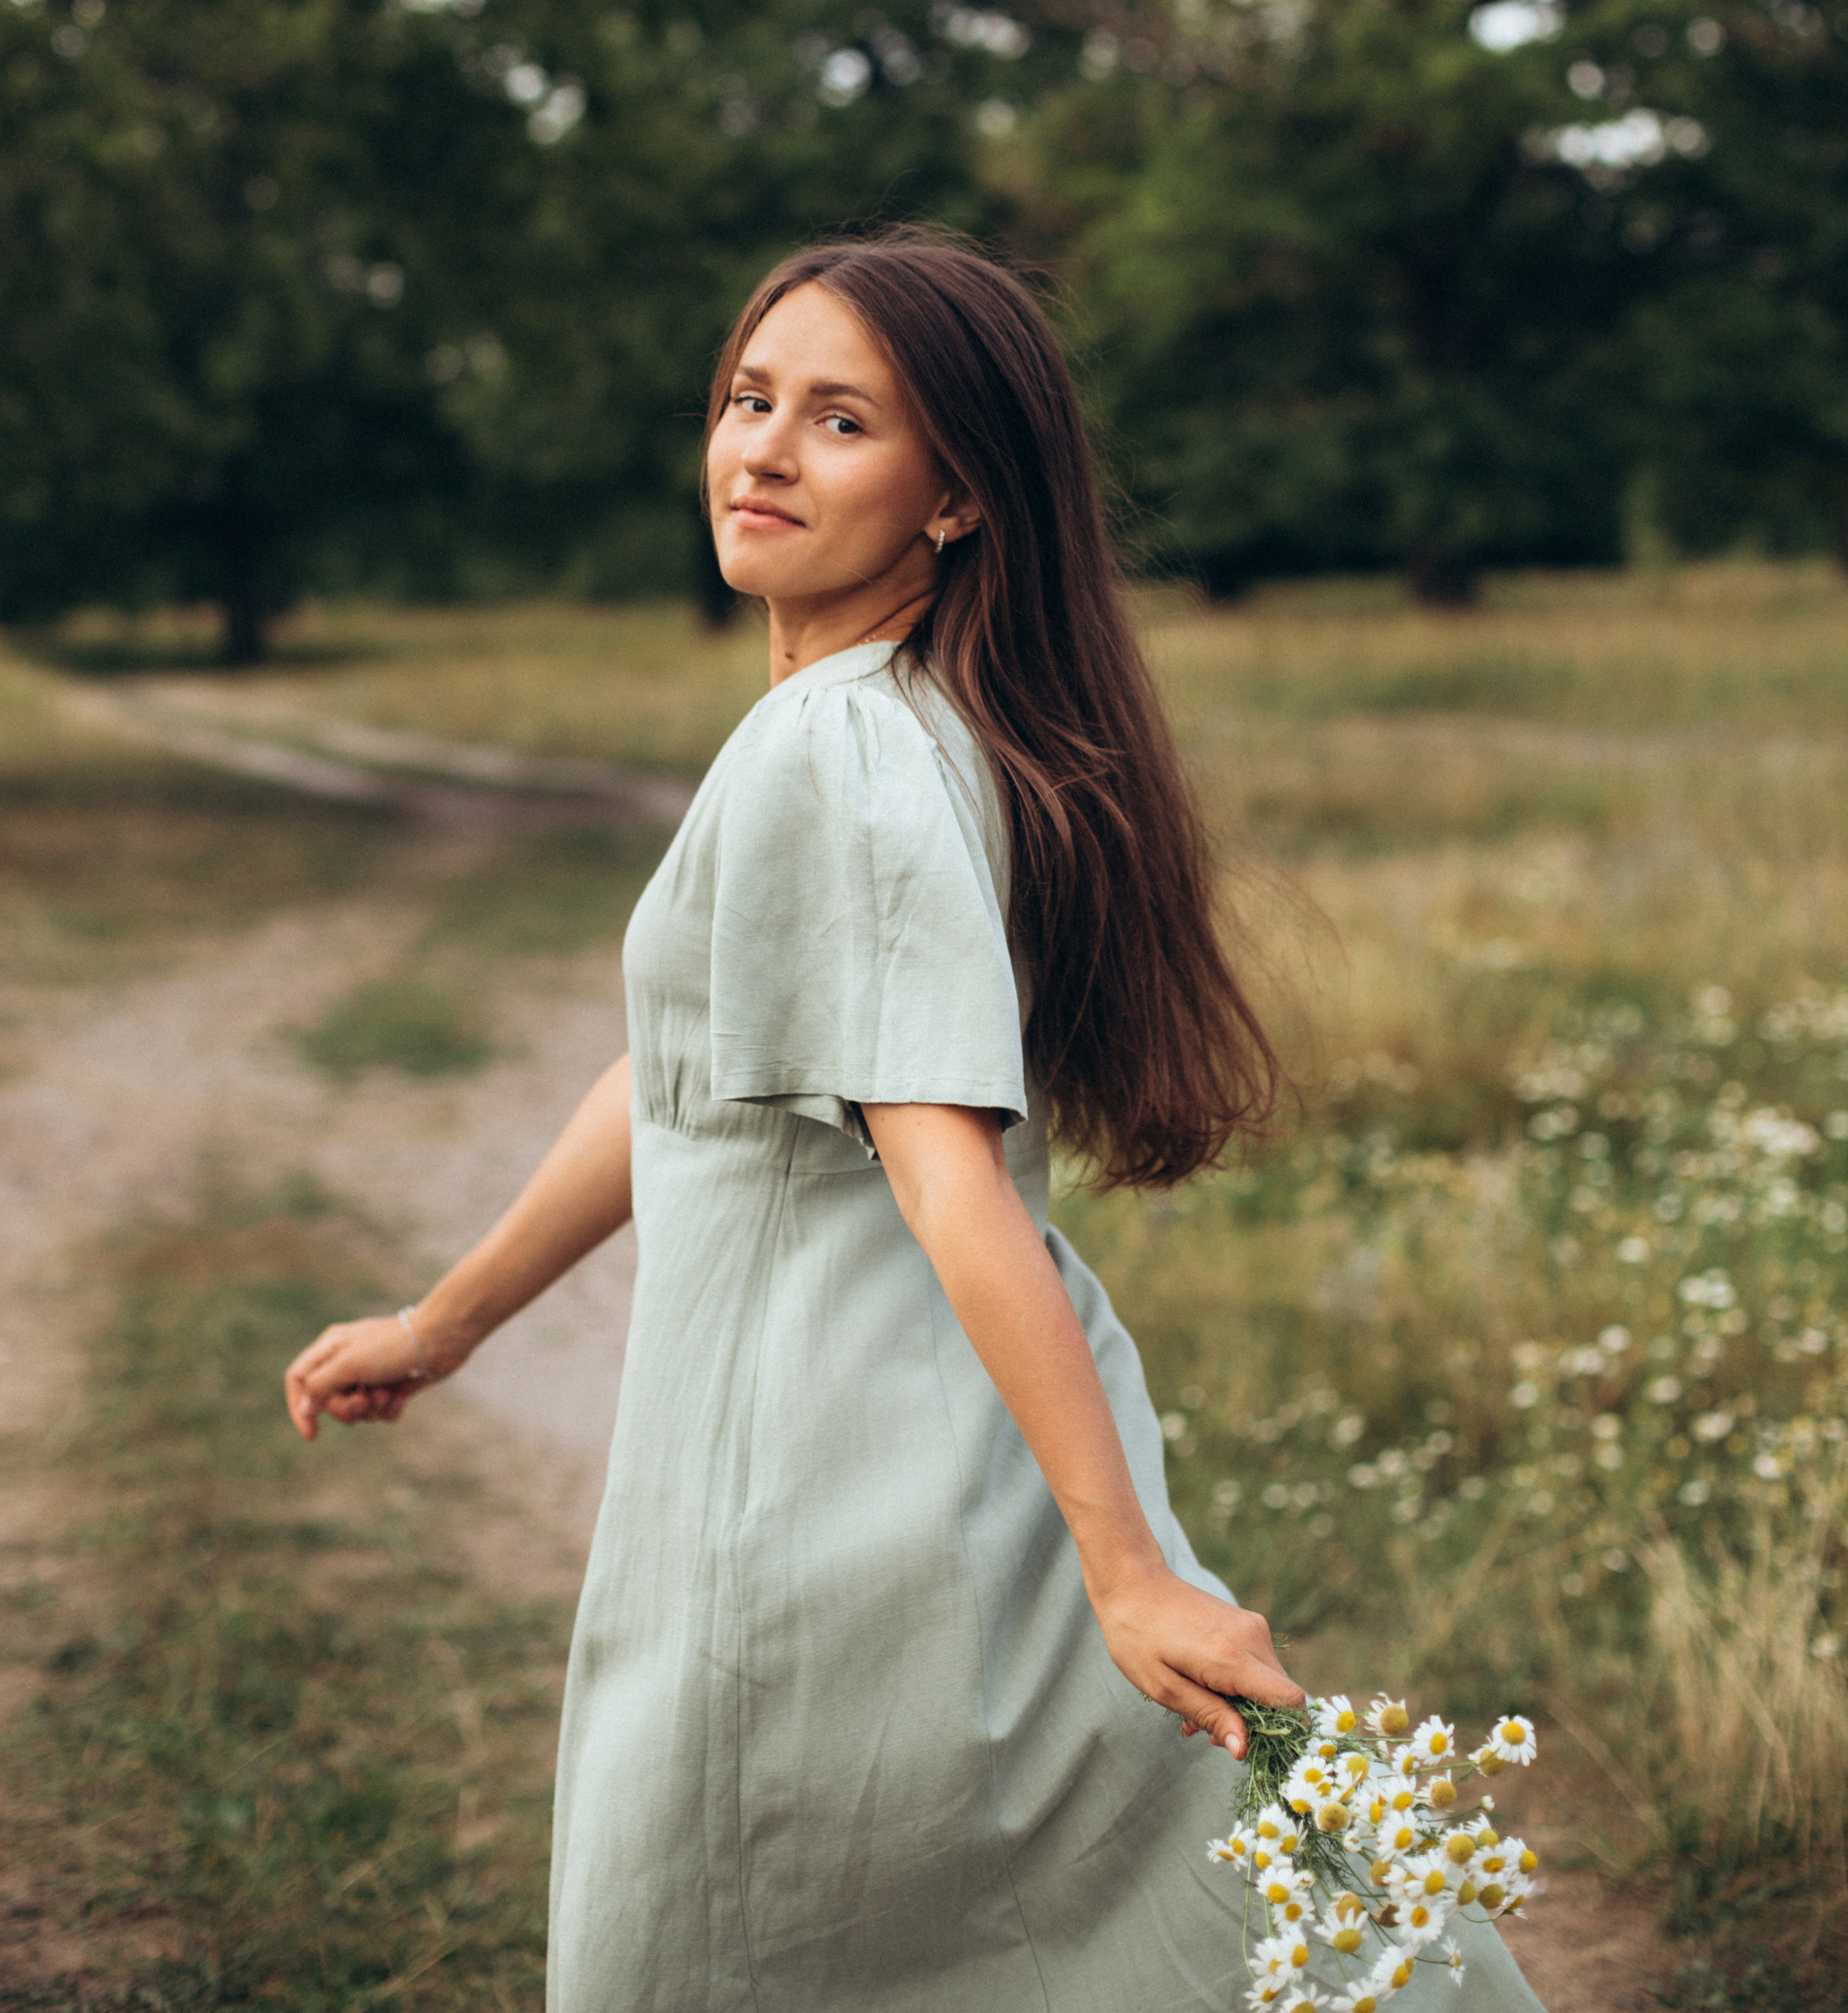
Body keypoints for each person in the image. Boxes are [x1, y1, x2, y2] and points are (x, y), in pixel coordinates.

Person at [284, 230, 1544, 2011]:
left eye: (840, 420)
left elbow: (944, 1170)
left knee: (748, 1946)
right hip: (943, 1467)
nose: (764, 450)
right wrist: (443, 1324)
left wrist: (1127, 1573)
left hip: (836, 1497)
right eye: (748, 399)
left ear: (954, 495)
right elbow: (677, 1079)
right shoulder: (890, 725)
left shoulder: (841, 752)